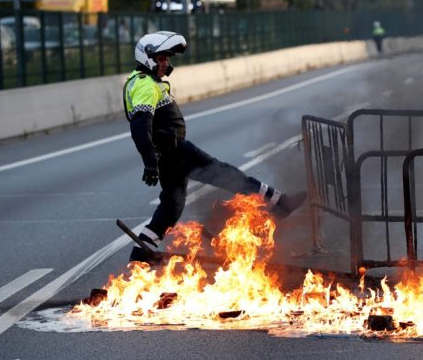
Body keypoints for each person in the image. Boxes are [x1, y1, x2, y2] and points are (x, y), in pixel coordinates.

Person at [123, 31, 306, 263]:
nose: (166, 64)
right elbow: (140, 126)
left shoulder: (142, 82)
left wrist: (153, 160)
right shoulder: (144, 86)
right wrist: (149, 162)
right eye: (161, 59)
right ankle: (279, 203)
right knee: (228, 175)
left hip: (167, 154)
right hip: (176, 151)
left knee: (172, 206)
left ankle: (141, 252)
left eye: (167, 59)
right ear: (147, 57)